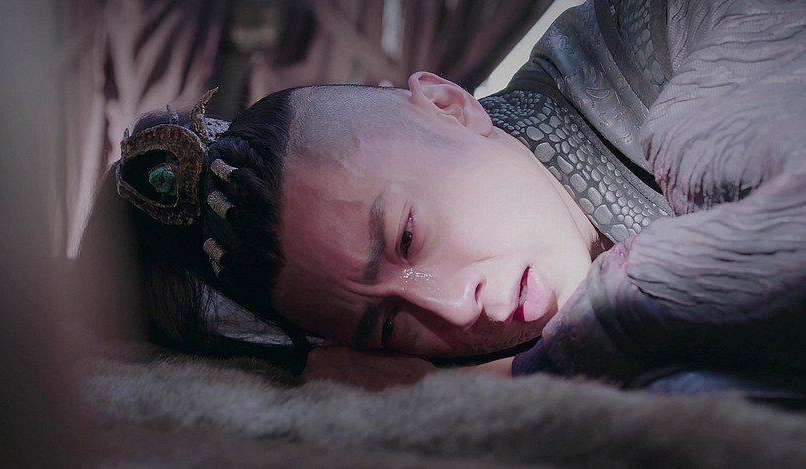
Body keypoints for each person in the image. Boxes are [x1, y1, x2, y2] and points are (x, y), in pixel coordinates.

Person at [87, 0, 806, 389]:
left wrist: (509, 373)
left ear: (448, 104)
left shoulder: (691, 28)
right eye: (390, 328)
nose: (455, 307)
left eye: (406, 237)